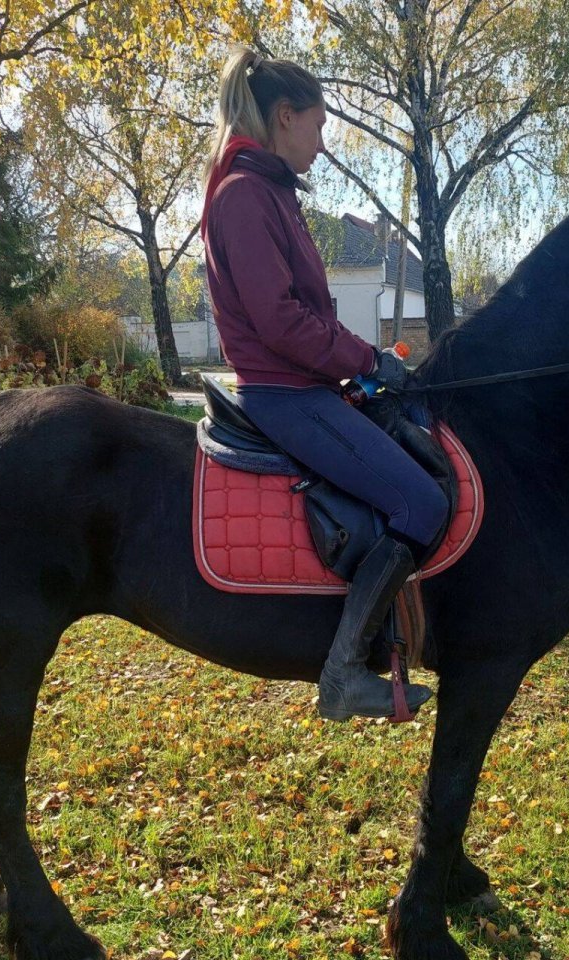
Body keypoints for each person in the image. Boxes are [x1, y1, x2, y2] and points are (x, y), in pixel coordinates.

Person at [200, 46, 449, 721]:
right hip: (285, 393)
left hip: (303, 384)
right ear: (284, 117)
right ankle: (342, 675)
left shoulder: (265, 190)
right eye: (316, 127)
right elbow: (281, 320)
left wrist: (361, 362)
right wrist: (367, 360)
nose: (319, 144)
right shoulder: (246, 195)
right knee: (423, 505)